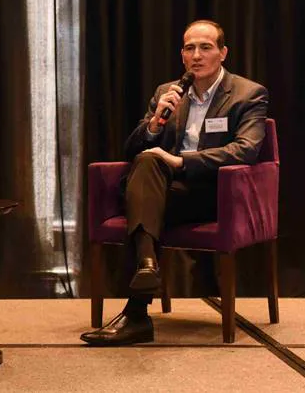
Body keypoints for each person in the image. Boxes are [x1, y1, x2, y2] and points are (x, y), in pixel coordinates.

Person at [81, 20, 269, 346]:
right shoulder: (167, 92)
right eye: (189, 48)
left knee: (143, 189)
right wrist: (155, 123)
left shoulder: (248, 94)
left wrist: (181, 161)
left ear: (222, 53)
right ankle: (143, 282)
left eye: (205, 47)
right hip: (162, 189)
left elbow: (246, 150)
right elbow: (133, 149)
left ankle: (140, 296)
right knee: (147, 162)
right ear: (182, 55)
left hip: (215, 192)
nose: (196, 55)